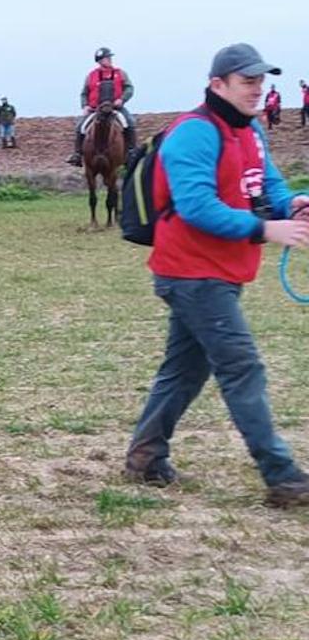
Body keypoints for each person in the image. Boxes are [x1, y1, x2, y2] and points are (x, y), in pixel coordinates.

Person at [124, 43, 309, 508]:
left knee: (184, 370)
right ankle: (283, 476)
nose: (257, 89)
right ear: (217, 85)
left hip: (220, 272)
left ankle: (145, 456)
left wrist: (292, 205)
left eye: (261, 81)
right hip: (191, 273)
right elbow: (196, 206)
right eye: (248, 81)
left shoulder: (251, 132)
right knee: (242, 367)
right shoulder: (194, 134)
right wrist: (266, 228)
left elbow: (267, 183)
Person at [67, 47, 137, 166]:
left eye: (110, 57)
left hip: (116, 108)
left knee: (130, 122)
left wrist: (122, 99)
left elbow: (129, 88)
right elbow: (84, 93)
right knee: (80, 126)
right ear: (100, 60)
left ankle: (131, 152)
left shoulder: (120, 73)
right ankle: (77, 154)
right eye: (107, 57)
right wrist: (85, 106)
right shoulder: (91, 76)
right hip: (96, 109)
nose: (110, 59)